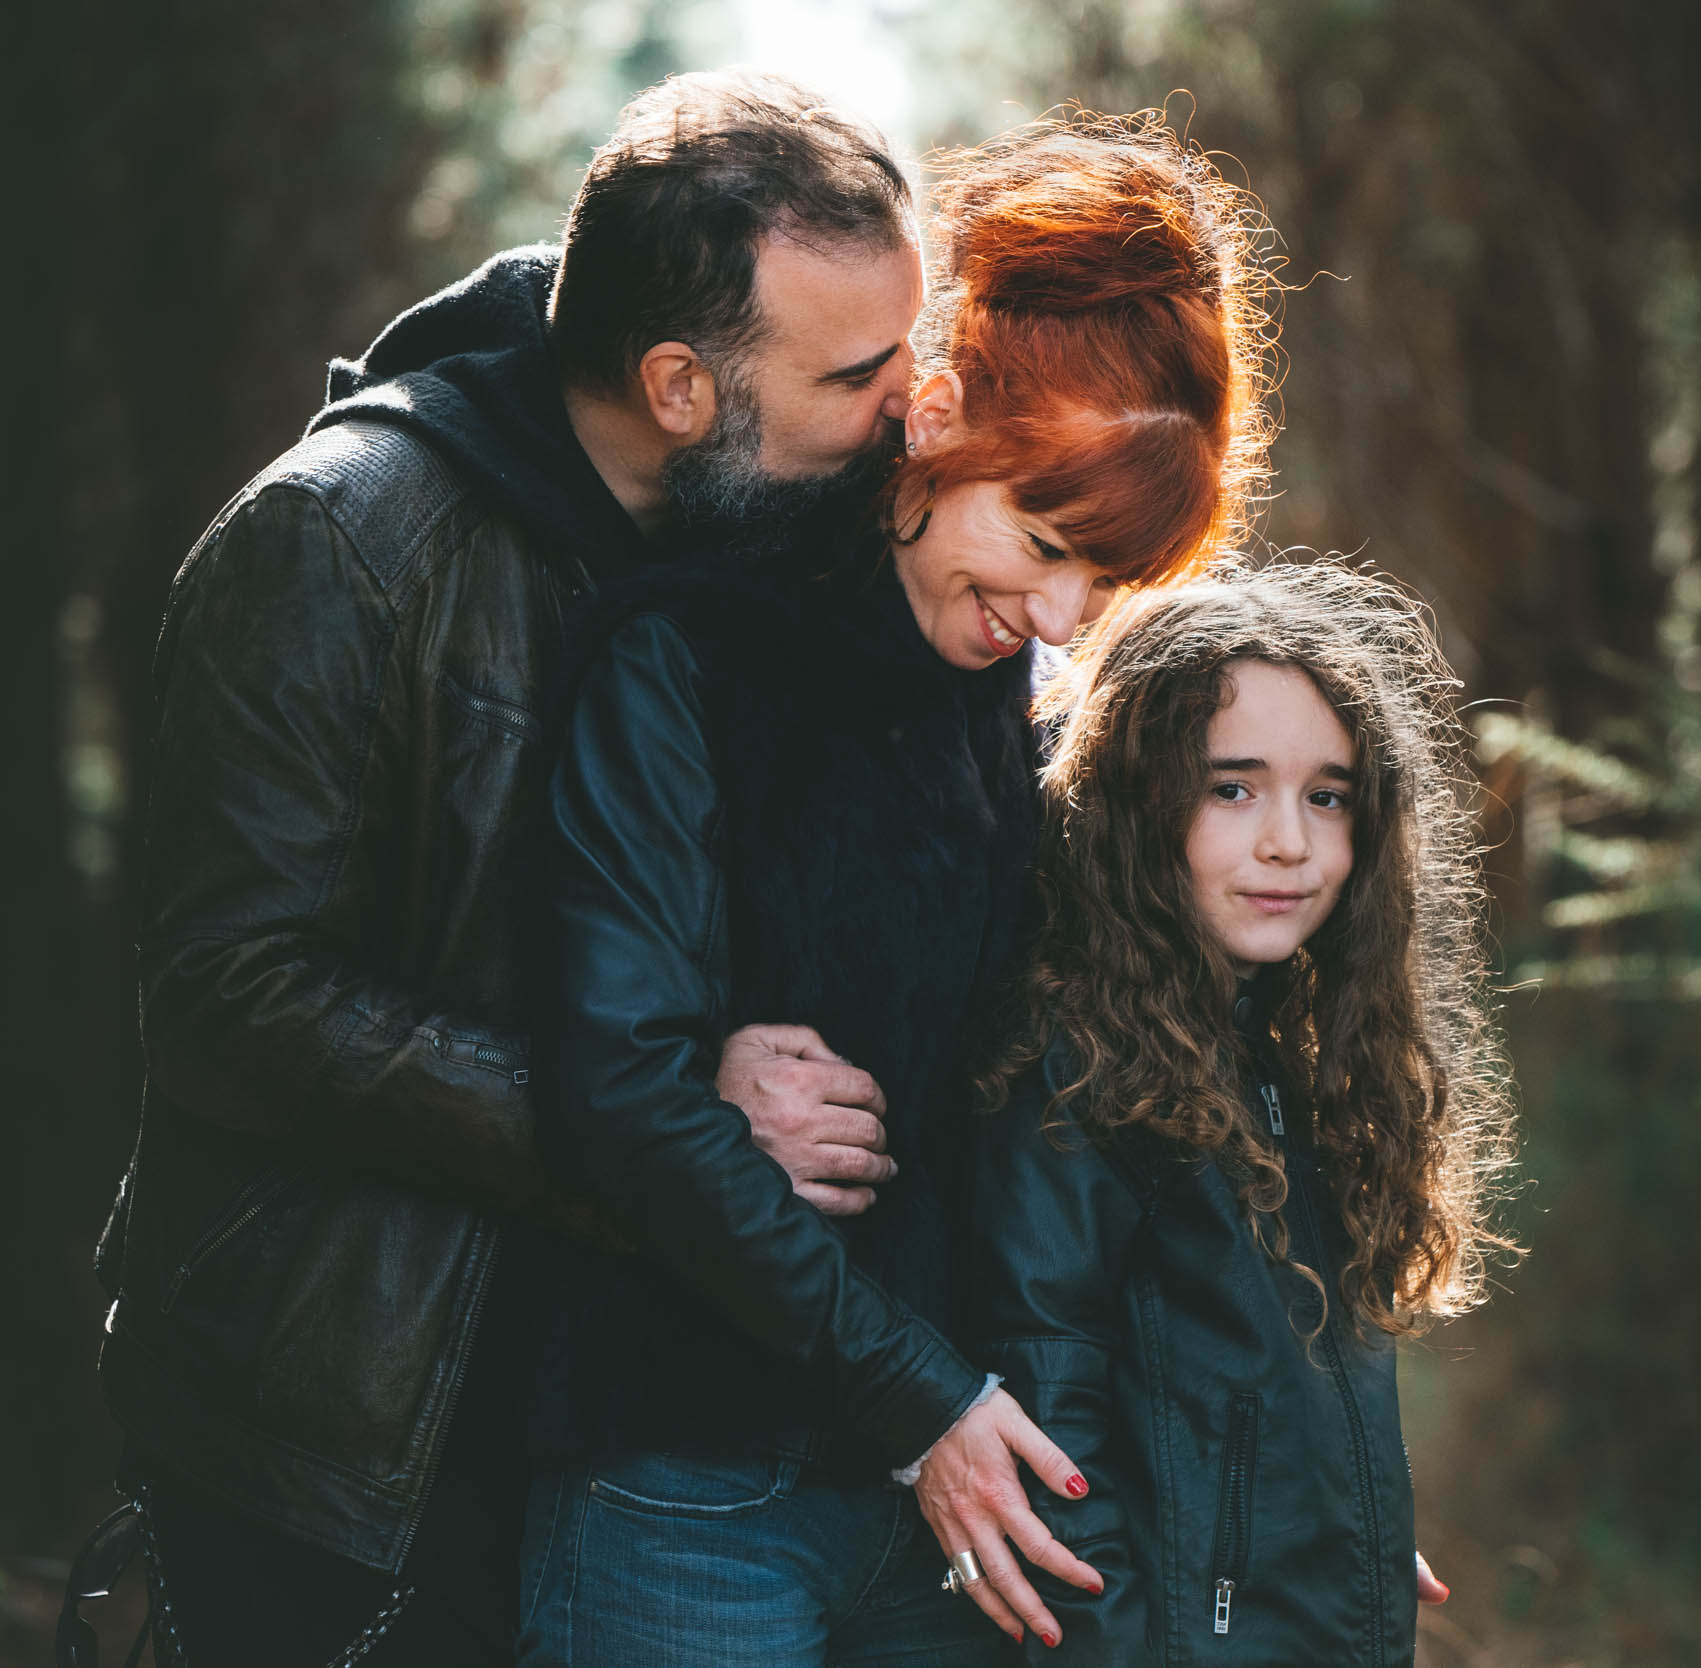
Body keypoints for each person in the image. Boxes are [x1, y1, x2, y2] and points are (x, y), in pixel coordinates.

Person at [92, 69, 921, 1667]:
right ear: (681, 383)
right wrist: (658, 1118)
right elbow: (227, 999)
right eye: (862, 369)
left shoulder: (760, 526)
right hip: (344, 1432)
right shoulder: (334, 543)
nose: (910, 401)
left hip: (634, 1430)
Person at [520, 109, 1276, 1665]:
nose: (1063, 614)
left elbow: (1104, 1123)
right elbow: (619, 1088)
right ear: (932, 423)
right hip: (690, 1497)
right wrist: (921, 1399)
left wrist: (1292, 1476)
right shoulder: (689, 655)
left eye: (1107, 581)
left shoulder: (1005, 711)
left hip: (952, 1512)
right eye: (1046, 536)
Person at [955, 560, 1519, 1665]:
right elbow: (1057, 1468)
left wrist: (1333, 1534)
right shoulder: (1077, 1068)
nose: (1288, 844)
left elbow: (1236, 1419)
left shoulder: (1285, 1057)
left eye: (1326, 795)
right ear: (1132, 805)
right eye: (1231, 788)